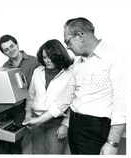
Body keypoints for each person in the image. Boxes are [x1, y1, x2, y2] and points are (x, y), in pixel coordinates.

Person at [22, 17, 126, 155]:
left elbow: (122, 106)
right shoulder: (79, 64)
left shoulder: (116, 57)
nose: (67, 46)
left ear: (80, 36)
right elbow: (63, 99)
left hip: (96, 128)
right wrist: (37, 120)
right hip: (76, 127)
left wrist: (112, 143)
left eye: (67, 41)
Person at [25, 39, 74, 154]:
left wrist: (65, 124)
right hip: (36, 119)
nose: (47, 61)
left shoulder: (69, 74)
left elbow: (72, 103)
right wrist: (28, 115)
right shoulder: (37, 71)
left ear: (59, 56)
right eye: (44, 57)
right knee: (37, 153)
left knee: (53, 153)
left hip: (56, 122)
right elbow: (30, 96)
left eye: (50, 57)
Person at [0, 34, 40, 154]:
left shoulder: (34, 61)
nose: (10, 50)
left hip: (27, 106)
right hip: (11, 107)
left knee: (15, 142)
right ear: (4, 53)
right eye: (6, 49)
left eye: (12, 46)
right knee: (5, 141)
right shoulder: (5, 67)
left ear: (17, 45)